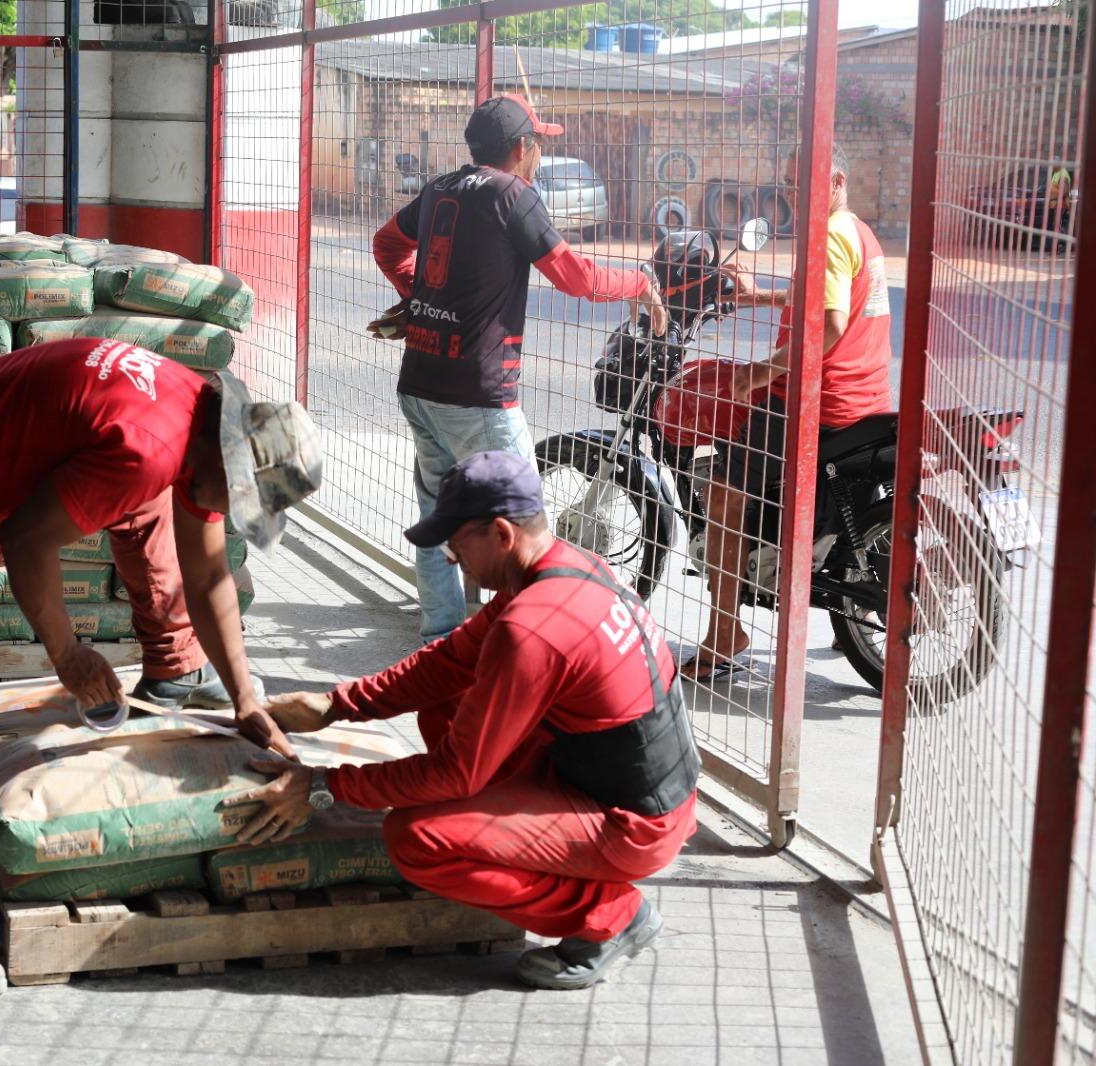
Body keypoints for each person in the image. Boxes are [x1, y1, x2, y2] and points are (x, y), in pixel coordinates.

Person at [0, 337, 322, 998]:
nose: (233, 513)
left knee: (146, 510)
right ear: (230, 457)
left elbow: (208, 572)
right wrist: (67, 651)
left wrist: (245, 699)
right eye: (241, 501)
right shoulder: (148, 450)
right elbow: (24, 537)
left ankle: (176, 670)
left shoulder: (198, 418)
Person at [228, 450, 698, 991]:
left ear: (500, 533)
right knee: (444, 702)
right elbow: (451, 661)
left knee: (417, 838)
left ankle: (610, 916)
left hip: (631, 824)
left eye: (456, 541)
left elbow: (456, 774)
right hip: (615, 780)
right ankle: (507, 844)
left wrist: (322, 786)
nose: (451, 558)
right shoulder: (565, 568)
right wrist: (338, 704)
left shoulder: (533, 629)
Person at [368, 93, 668, 644]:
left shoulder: (440, 188)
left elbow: (386, 243)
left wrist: (423, 298)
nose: (536, 157)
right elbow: (576, 278)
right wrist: (641, 284)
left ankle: (441, 638)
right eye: (536, 146)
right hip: (478, 394)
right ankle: (524, 643)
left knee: (440, 512)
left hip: (420, 382)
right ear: (522, 148)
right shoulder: (514, 195)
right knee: (522, 525)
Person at [685, 142, 893, 679]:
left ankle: (725, 630)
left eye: (802, 184)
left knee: (724, 491)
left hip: (815, 402)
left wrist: (761, 372)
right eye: (788, 184)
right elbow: (826, 299)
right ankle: (861, 615)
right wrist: (761, 297)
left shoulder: (827, 237)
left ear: (838, 180)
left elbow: (828, 324)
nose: (792, 195)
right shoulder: (860, 235)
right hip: (866, 400)